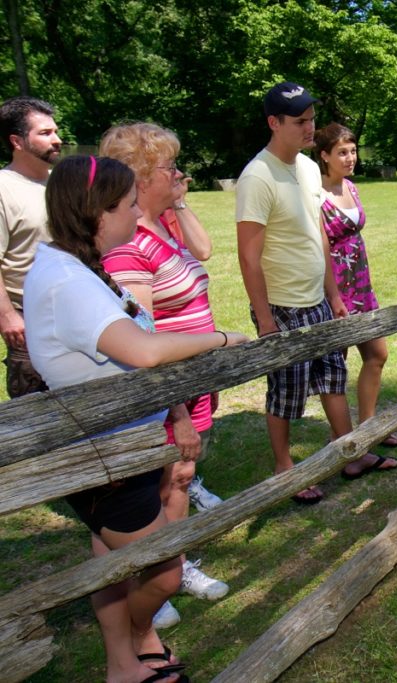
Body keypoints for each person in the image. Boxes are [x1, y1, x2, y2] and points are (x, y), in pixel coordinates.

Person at [23, 155, 248, 683]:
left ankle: (124, 664)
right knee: (165, 572)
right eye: (127, 206)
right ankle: (131, 643)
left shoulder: (80, 265)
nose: (135, 215)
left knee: (110, 561)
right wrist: (220, 339)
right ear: (98, 213)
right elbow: (143, 351)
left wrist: (172, 412)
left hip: (126, 447)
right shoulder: (66, 280)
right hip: (105, 456)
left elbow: (136, 337)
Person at [236, 82, 395, 501]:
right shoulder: (257, 176)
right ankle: (285, 469)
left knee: (331, 379)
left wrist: (334, 295)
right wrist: (266, 321)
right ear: (274, 123)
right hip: (282, 303)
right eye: (299, 121)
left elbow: (319, 236)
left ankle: (350, 453)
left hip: (318, 297)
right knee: (288, 390)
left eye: (311, 119)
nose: (309, 128)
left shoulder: (307, 168)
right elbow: (249, 257)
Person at [99, 123, 229, 630]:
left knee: (180, 476)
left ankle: (172, 567)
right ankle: (154, 578)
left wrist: (175, 204)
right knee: (161, 480)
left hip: (188, 385)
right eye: (167, 168)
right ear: (139, 176)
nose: (179, 174)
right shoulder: (128, 247)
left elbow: (204, 252)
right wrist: (175, 410)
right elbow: (143, 338)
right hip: (166, 394)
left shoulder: (159, 227)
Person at [314, 122, 397, 476]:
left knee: (377, 354)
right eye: (342, 153)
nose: (350, 158)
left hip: (361, 283)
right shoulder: (315, 195)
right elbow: (318, 247)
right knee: (336, 368)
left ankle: (368, 429)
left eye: (352, 151)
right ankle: (347, 444)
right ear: (324, 156)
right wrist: (332, 295)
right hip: (334, 286)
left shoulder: (351, 186)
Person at [0, 96, 61, 398]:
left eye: (56, 131)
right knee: (37, 408)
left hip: (72, 306)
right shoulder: (3, 188)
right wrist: (7, 316)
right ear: (17, 141)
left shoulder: (60, 183)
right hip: (28, 317)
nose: (57, 139)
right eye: (45, 133)